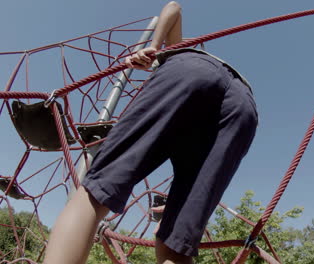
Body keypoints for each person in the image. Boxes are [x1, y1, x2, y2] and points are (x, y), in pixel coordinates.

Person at [43, 1, 257, 264]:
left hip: (189, 72)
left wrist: (155, 47)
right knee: (176, 244)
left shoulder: (181, 54)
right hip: (243, 105)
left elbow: (173, 6)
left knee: (95, 192)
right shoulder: (207, 65)